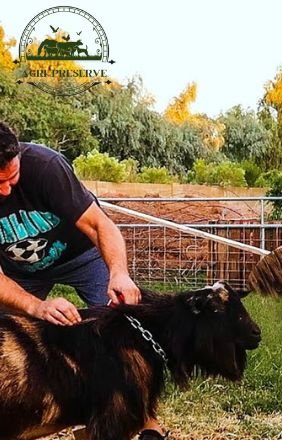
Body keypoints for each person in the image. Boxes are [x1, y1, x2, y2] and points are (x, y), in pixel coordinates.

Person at [0, 122, 166, 440]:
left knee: (124, 327)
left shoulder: (46, 167)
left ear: (18, 155)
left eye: (12, 178)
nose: (7, 191)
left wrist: (119, 273)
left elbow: (100, 226)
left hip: (83, 256)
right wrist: (36, 306)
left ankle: (145, 420)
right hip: (21, 273)